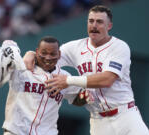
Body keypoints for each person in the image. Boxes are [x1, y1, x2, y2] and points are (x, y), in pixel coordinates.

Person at [23, 5, 149, 135]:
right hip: (98, 120)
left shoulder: (119, 47)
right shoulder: (76, 47)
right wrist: (31, 53)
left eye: (99, 22)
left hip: (125, 116)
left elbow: (107, 79)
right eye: (91, 21)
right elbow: (48, 59)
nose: (94, 25)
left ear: (109, 26)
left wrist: (69, 80)